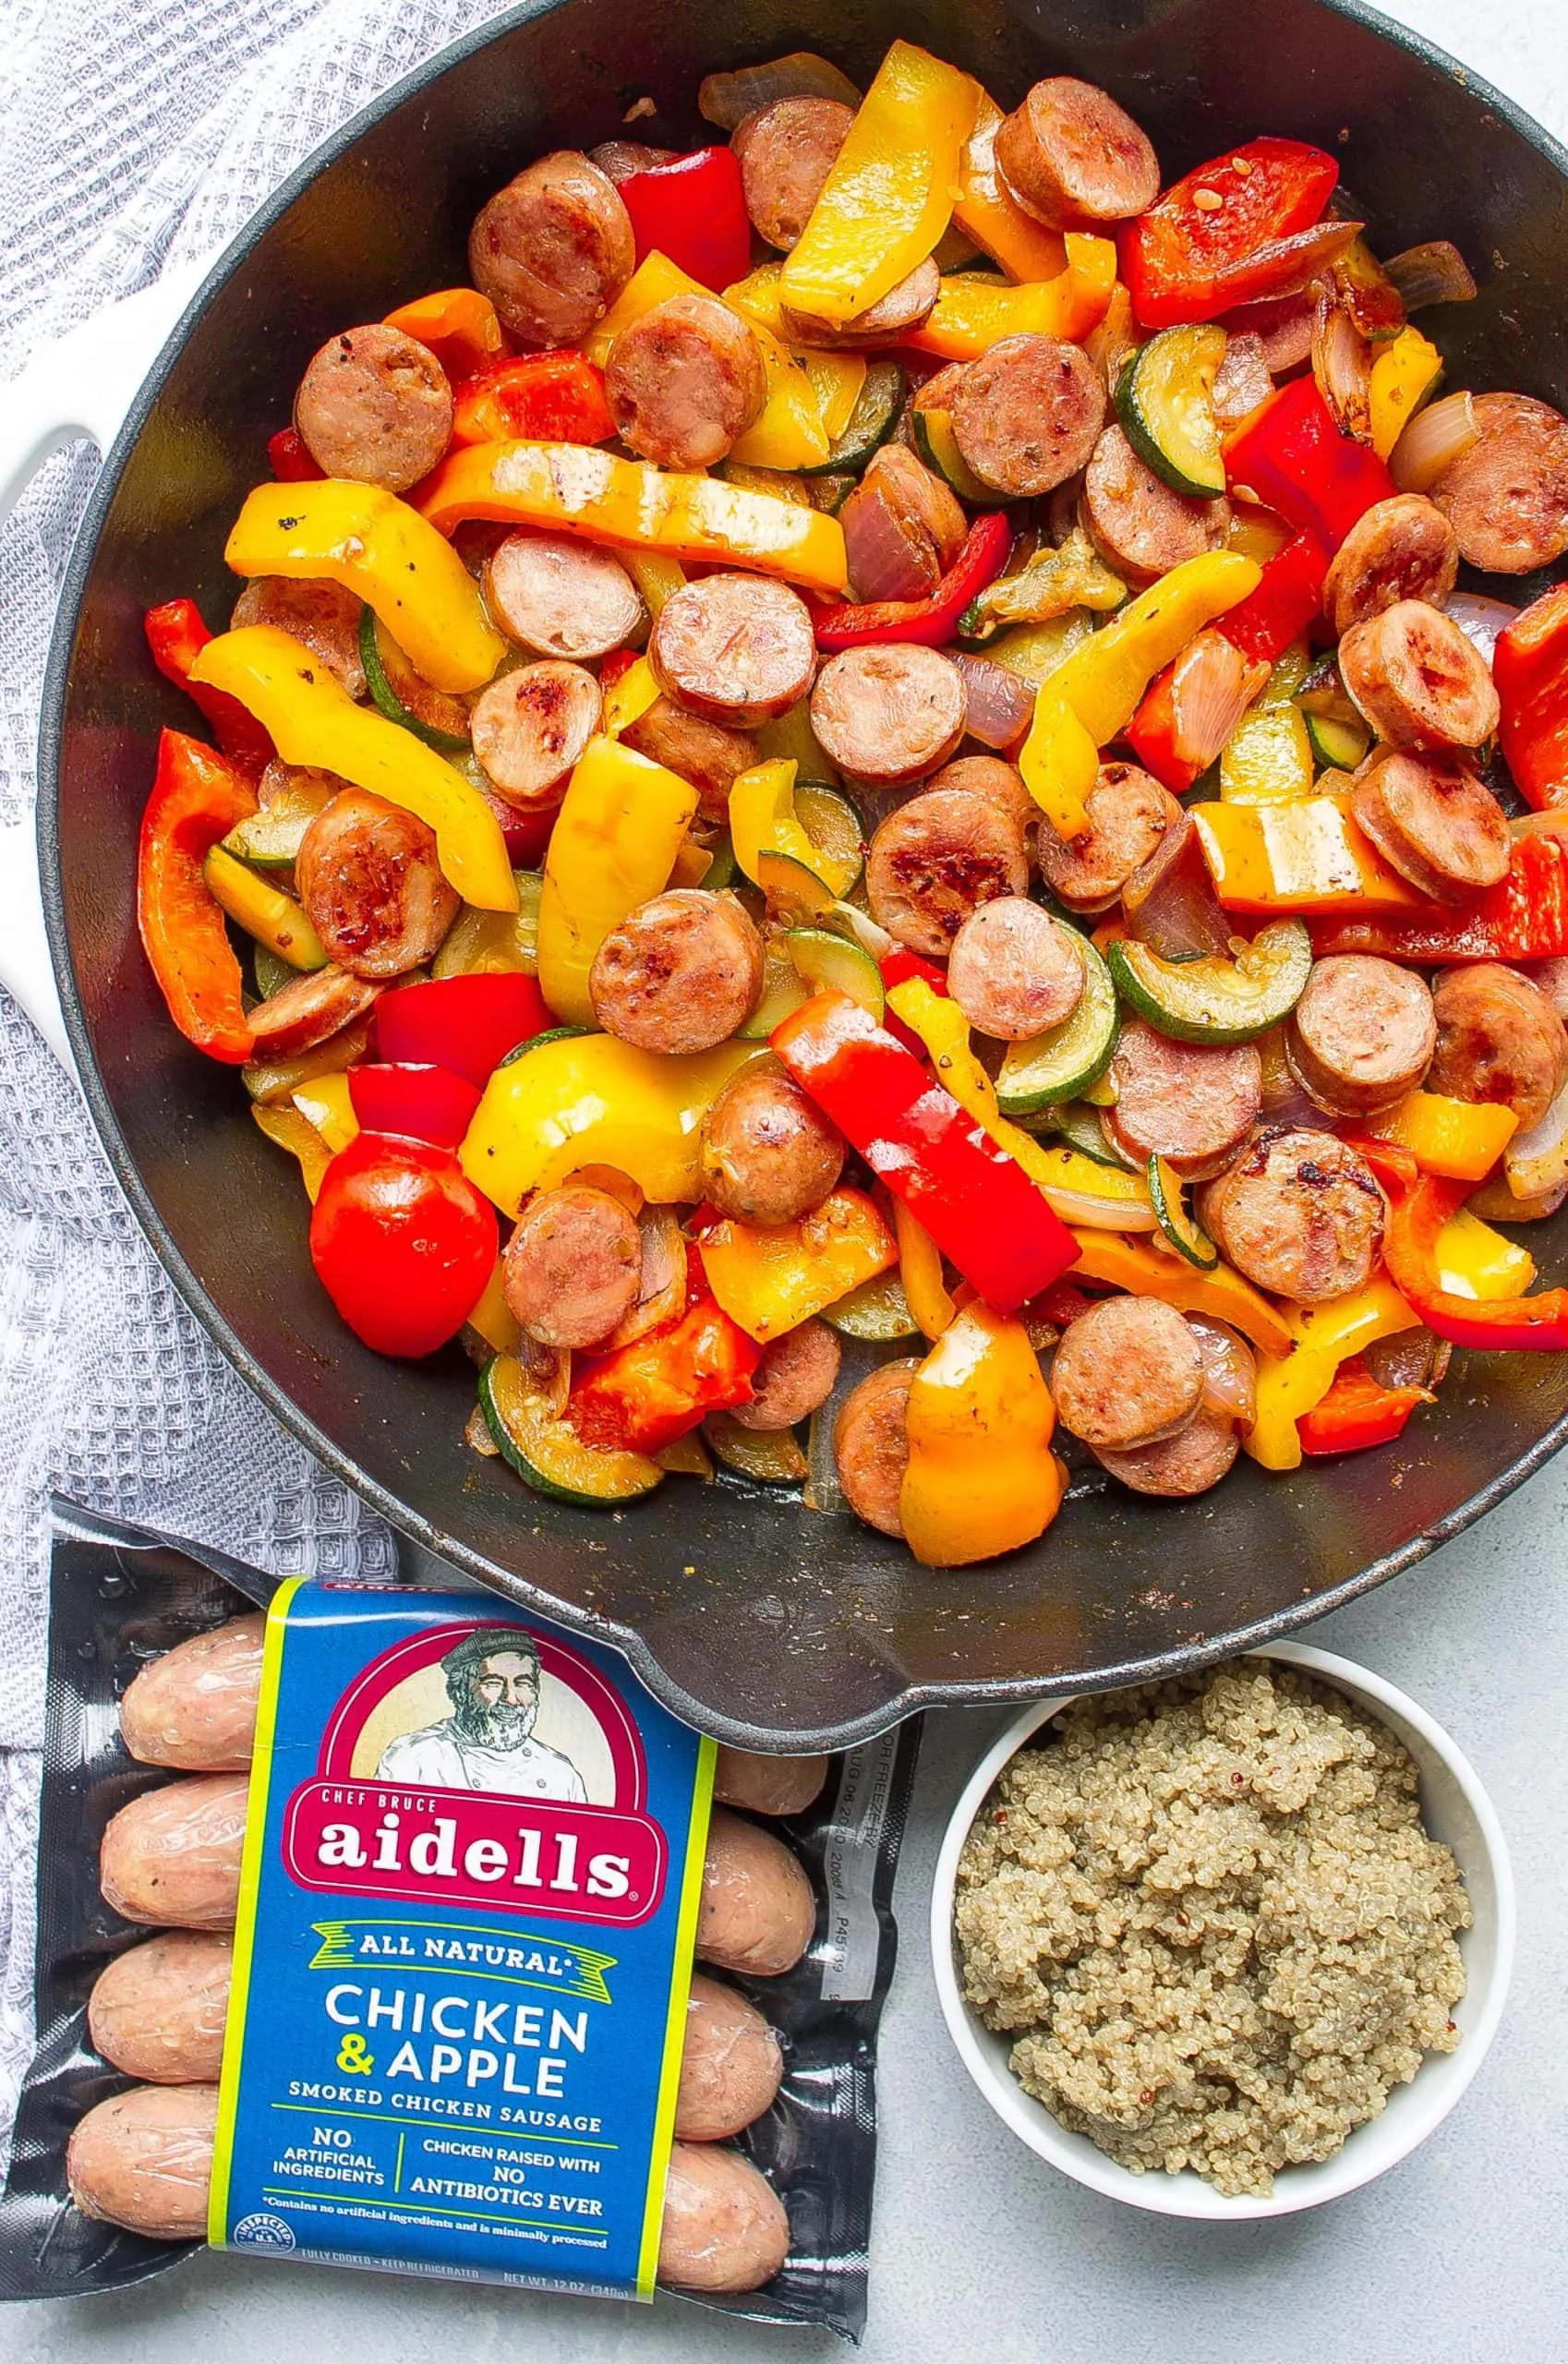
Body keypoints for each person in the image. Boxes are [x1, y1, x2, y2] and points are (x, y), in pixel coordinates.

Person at [376, 1628, 586, 1799]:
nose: (511, 1699)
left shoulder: (560, 1774)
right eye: (493, 1683)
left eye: (523, 1684)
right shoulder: (414, 1758)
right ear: (459, 1692)